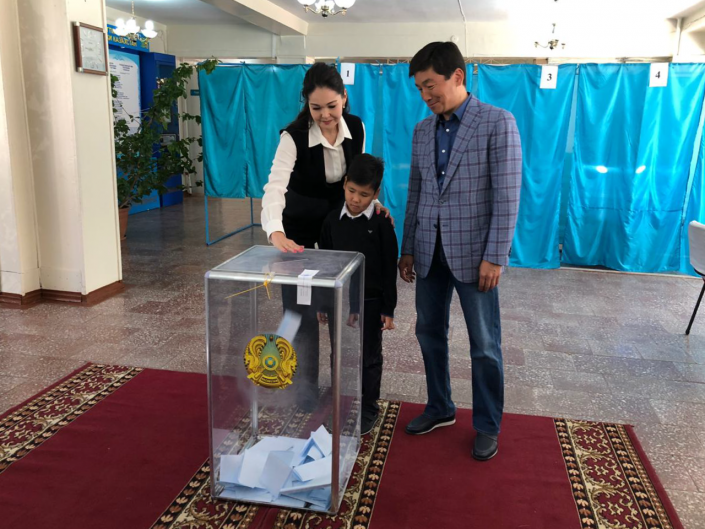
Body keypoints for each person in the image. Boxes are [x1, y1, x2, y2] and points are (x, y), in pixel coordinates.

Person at [399, 42, 522, 461]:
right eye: (419, 88)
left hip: (475, 255)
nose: (425, 95)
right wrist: (408, 247)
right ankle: (440, 406)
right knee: (428, 333)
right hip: (428, 251)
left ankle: (487, 425)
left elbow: (507, 195)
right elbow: (416, 193)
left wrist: (496, 256)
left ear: (457, 76)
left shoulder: (497, 122)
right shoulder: (422, 131)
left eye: (430, 85)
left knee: (484, 344)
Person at [261, 63, 390, 410]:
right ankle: (304, 388)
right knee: (301, 311)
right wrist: (275, 230)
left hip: (337, 231)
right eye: (316, 108)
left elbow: (359, 177)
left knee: (339, 310)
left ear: (344, 98)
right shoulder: (293, 137)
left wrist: (374, 204)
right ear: (306, 103)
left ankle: (343, 385)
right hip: (299, 234)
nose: (326, 116)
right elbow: (275, 186)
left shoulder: (357, 127)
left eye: (332, 106)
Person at [318, 154, 398, 435]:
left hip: (371, 300)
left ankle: (369, 408)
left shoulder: (382, 223)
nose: (355, 199)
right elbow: (326, 265)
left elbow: (389, 268)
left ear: (376, 194)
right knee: (338, 353)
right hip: (339, 301)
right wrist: (323, 303)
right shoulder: (331, 221)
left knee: (369, 357)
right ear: (344, 184)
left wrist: (388, 309)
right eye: (352, 190)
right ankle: (339, 403)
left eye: (364, 195)